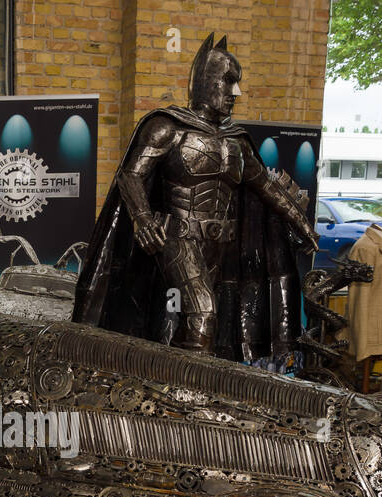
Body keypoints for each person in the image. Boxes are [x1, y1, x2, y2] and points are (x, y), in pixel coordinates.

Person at [72, 32, 318, 359]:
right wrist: (143, 219)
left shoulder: (238, 141)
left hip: (221, 247)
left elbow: (267, 188)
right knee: (203, 316)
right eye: (228, 81)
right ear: (206, 81)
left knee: (188, 323)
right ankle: (185, 396)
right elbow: (131, 175)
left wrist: (301, 223)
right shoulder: (167, 126)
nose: (236, 92)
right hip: (177, 237)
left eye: (237, 83)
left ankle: (165, 382)